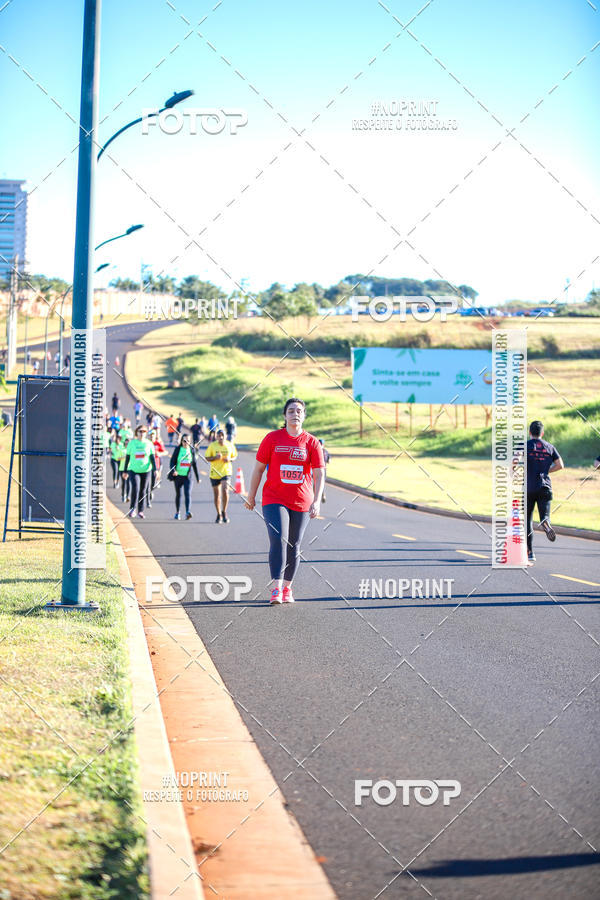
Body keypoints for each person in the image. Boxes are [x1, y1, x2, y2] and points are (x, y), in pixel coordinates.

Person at [245, 398, 324, 605]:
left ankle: (288, 587)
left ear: (304, 415)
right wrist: (251, 496)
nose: (295, 414)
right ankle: (276, 588)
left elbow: (319, 475)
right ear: (284, 416)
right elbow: (259, 469)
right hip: (274, 498)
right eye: (291, 411)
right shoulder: (272, 439)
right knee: (278, 538)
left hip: (301, 501)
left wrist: (317, 501)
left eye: (299, 411)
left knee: (294, 544)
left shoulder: (312, 442)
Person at [526, 420, 564, 564]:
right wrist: (546, 470)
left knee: (528, 520)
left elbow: (514, 463)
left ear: (530, 433)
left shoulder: (524, 446)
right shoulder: (549, 446)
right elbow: (560, 465)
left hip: (529, 488)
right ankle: (546, 524)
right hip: (545, 487)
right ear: (542, 433)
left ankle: (530, 553)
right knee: (544, 517)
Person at [122, 424, 156, 518]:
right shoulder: (132, 443)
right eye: (140, 431)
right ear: (136, 432)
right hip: (134, 470)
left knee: (143, 490)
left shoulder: (149, 443)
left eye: (144, 431)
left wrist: (155, 470)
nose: (142, 433)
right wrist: (125, 471)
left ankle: (140, 511)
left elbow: (152, 457)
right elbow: (127, 458)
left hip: (146, 470)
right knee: (136, 488)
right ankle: (133, 509)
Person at [205, 428, 238, 523]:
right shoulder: (212, 446)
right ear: (216, 437)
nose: (221, 437)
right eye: (219, 436)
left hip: (226, 472)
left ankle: (224, 511)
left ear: (225, 436)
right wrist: (215, 457)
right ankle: (218, 513)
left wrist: (230, 459)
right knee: (217, 495)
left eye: (222, 435)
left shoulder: (229, 445)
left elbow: (235, 456)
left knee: (225, 490)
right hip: (215, 472)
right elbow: (207, 457)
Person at [170, 433, 200, 520]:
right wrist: (174, 471)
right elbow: (172, 462)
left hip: (188, 477)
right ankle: (177, 512)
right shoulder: (178, 449)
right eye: (184, 441)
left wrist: (198, 478)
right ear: (181, 441)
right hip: (178, 476)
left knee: (188, 493)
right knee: (178, 494)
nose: (186, 443)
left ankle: (187, 512)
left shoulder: (191, 450)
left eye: (188, 441)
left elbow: (194, 464)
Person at [148, 428, 167, 505]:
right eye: (150, 435)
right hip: (146, 466)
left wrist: (160, 453)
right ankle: (147, 499)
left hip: (155, 465)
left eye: (153, 435)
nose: (152, 436)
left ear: (155, 435)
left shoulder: (157, 443)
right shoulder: (146, 443)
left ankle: (150, 492)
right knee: (146, 482)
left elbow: (165, 452)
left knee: (152, 482)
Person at [318, 438, 331, 502]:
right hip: (323, 469)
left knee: (316, 483)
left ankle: (317, 495)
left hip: (317, 469)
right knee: (321, 482)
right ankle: (322, 494)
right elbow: (329, 461)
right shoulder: (326, 451)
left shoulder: (317, 450)